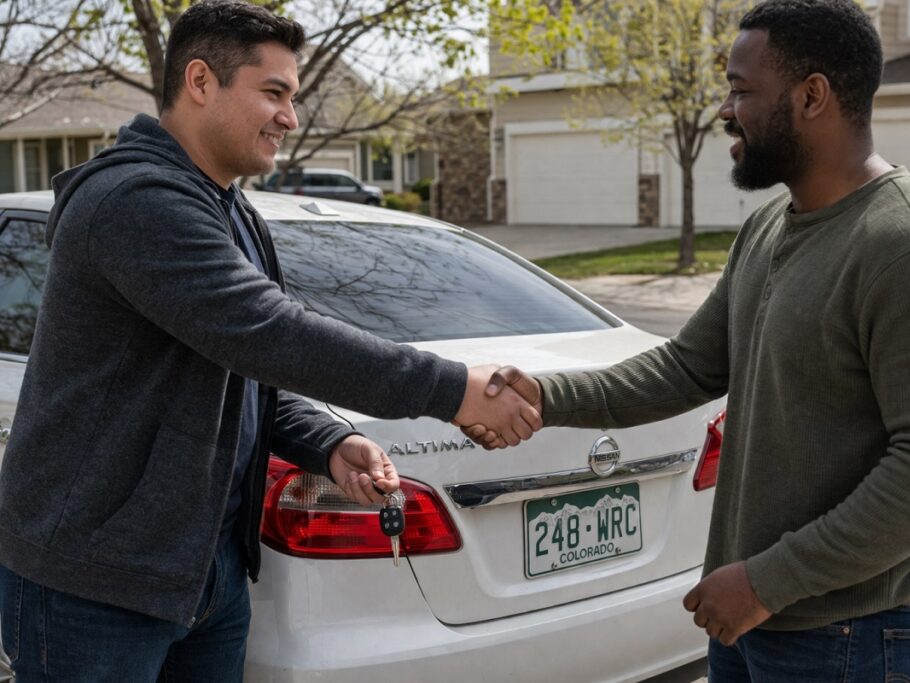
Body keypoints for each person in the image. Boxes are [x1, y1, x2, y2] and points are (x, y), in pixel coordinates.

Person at [0, 1, 539, 680]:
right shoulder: (134, 202)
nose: (290, 116)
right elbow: (270, 332)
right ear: (201, 82)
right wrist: (455, 388)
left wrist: (329, 441)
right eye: (274, 93)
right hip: (95, 583)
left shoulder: (231, 211)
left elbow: (245, 367)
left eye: (293, 96)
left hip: (206, 570)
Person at [466, 1, 910, 680]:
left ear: (812, 96)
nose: (722, 110)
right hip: (751, 612)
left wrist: (768, 579)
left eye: (742, 90)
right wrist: (544, 395)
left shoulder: (908, 248)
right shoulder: (771, 224)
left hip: (846, 630)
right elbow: (687, 367)